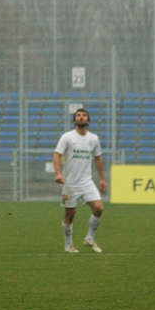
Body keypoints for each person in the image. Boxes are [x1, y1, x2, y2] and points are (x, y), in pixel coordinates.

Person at [52, 108, 107, 253]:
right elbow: (57, 155)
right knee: (70, 214)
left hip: (87, 181)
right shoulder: (67, 137)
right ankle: (69, 245)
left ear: (88, 120)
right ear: (74, 120)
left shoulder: (93, 139)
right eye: (78, 115)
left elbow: (98, 158)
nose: (81, 117)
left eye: (84, 115)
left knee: (98, 208)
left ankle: (89, 238)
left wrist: (102, 179)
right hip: (70, 183)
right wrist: (58, 173)